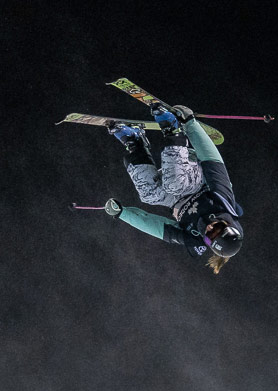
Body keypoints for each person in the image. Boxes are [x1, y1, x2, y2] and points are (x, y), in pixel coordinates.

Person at [101, 100, 244, 272]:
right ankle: (173, 129)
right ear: (227, 224)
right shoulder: (223, 204)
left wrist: (123, 213)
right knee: (175, 185)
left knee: (149, 195)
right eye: (218, 228)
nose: (210, 228)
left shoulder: (192, 237)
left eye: (209, 236)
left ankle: (135, 141)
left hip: (175, 196)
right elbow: (212, 161)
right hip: (191, 171)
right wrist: (190, 123)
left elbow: (156, 226)